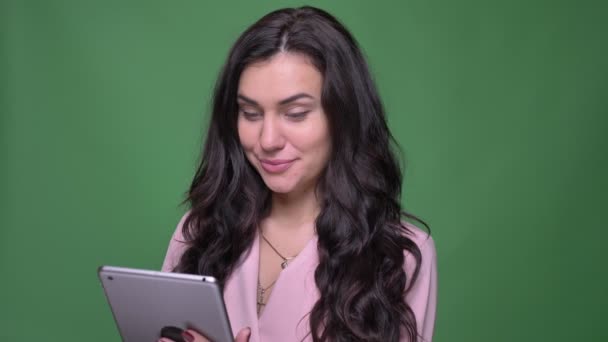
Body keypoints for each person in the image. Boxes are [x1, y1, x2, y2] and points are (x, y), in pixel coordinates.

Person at [160, 6, 437, 342]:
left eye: (295, 113)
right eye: (250, 113)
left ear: (343, 117)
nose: (268, 140)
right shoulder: (199, 233)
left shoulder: (398, 256)